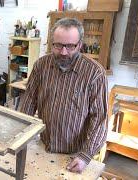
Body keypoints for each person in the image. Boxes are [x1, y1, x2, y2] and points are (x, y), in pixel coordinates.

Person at [20, 18, 108, 173]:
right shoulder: (41, 65)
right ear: (51, 43)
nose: (63, 52)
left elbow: (100, 119)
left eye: (70, 46)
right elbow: (28, 102)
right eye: (58, 45)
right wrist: (19, 135)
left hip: (76, 155)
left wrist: (85, 155)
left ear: (80, 45)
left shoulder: (95, 73)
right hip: (43, 144)